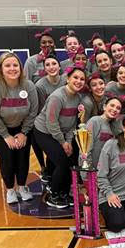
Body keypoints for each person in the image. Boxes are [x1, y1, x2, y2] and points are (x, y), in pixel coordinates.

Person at [0, 52, 38, 205]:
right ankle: (10, 190)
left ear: (20, 67)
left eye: (15, 65)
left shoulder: (28, 86)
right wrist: (6, 136)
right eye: (7, 65)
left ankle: (22, 187)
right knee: (8, 156)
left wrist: (24, 132)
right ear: (1, 69)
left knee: (22, 154)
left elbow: (33, 111)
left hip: (20, 125)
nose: (12, 68)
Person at [33, 65, 85, 208]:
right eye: (75, 77)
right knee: (62, 162)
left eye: (82, 79)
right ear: (67, 79)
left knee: (68, 160)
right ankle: (53, 195)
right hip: (44, 132)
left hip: (61, 134)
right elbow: (51, 123)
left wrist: (68, 141)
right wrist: (63, 143)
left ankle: (63, 192)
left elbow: (71, 124)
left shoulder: (78, 97)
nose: (78, 81)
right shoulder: (57, 97)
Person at [34, 54, 66, 181]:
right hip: (47, 123)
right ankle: (49, 176)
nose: (51, 67)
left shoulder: (65, 80)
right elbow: (41, 108)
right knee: (53, 152)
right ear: (44, 69)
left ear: (59, 66)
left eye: (54, 64)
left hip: (64, 122)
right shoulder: (40, 85)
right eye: (47, 65)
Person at [86, 97, 123, 168]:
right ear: (104, 107)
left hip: (105, 171)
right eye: (112, 105)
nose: (115, 109)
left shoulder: (114, 126)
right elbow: (85, 149)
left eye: (118, 108)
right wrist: (86, 172)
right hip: (92, 170)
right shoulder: (94, 121)